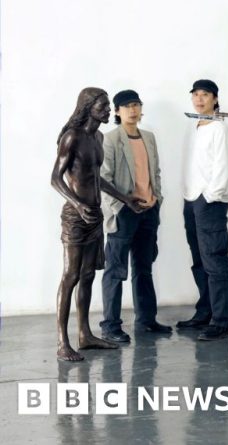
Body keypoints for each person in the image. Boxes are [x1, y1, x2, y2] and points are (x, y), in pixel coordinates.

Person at [51, 87, 144, 361]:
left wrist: (125, 199)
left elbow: (96, 179)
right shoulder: (72, 138)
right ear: (88, 107)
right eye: (103, 106)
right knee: (71, 276)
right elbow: (55, 178)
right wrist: (78, 205)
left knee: (89, 275)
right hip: (76, 217)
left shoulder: (98, 136)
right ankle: (62, 342)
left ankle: (85, 335)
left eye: (107, 106)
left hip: (95, 215)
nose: (107, 111)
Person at [99, 89, 171, 342]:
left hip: (148, 211)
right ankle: (110, 325)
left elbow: (156, 173)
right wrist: (120, 207)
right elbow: (103, 180)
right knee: (115, 270)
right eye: (127, 106)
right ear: (117, 111)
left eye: (136, 105)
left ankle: (146, 320)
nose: (133, 109)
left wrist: (157, 200)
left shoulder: (149, 137)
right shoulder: (110, 139)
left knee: (144, 268)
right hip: (124, 213)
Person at [176, 79, 228, 341]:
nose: (199, 99)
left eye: (205, 95)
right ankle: (205, 312)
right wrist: (189, 196)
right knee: (199, 260)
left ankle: (221, 321)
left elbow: (222, 167)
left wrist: (211, 196)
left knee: (215, 260)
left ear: (215, 98)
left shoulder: (219, 128)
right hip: (191, 199)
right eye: (195, 95)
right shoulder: (194, 127)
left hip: (210, 202)